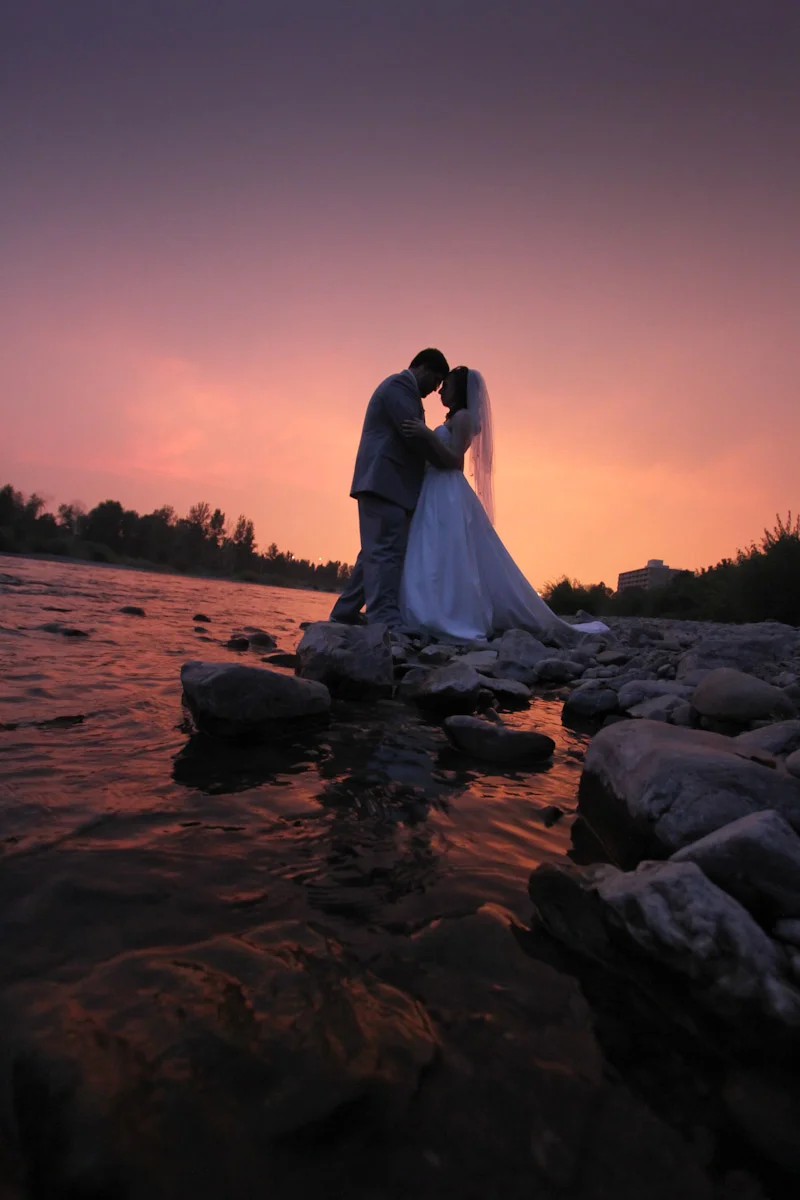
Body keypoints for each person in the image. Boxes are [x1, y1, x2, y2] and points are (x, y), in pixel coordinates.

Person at [398, 366, 610, 644]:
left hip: (447, 489)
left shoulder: (462, 418)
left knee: (446, 551)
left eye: (446, 385)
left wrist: (426, 435)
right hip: (434, 488)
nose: (441, 391)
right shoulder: (453, 418)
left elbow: (455, 462)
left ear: (459, 390)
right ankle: (423, 608)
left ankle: (446, 613)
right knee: (431, 550)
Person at [330, 348, 450, 628]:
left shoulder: (404, 391)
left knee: (374, 552)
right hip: (385, 481)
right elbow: (413, 436)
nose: (435, 390)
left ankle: (344, 611)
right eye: (436, 380)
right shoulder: (399, 386)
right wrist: (444, 459)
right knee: (385, 552)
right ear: (423, 368)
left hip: (388, 483)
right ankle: (383, 617)